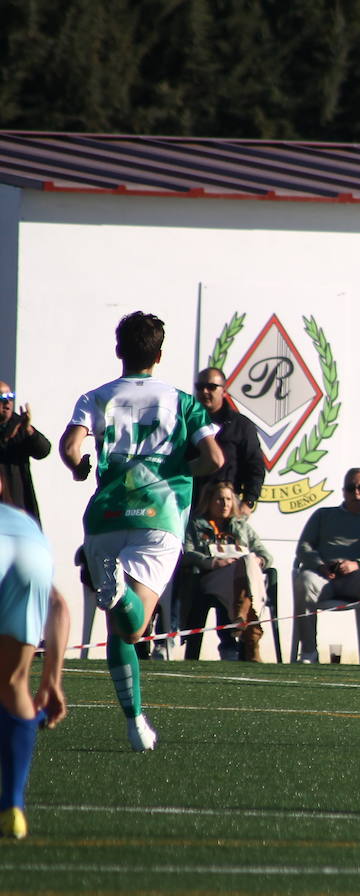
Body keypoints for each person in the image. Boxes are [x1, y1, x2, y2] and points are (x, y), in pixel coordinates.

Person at [60, 311, 224, 751]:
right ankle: (116, 596)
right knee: (132, 627)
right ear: (160, 355)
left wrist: (81, 469)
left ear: (120, 352)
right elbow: (214, 460)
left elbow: (71, 447)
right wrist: (176, 468)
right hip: (159, 516)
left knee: (118, 630)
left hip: (105, 519)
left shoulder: (96, 396)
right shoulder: (182, 402)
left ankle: (135, 725)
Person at [0, 478, 70, 840]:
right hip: (32, 556)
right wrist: (51, 680)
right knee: (12, 682)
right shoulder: (25, 521)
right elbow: (58, 604)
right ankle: (12, 806)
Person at [293, 468, 360, 664]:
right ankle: (308, 652)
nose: (356, 493)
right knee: (304, 580)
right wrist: (320, 565)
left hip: (356, 579)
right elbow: (303, 547)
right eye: (351, 488)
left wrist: (356, 564)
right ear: (343, 491)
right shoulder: (323, 515)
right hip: (323, 577)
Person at [182, 481, 273, 662]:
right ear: (208, 501)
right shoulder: (196, 525)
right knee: (247, 575)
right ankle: (251, 637)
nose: (225, 504)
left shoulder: (242, 526)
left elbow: (266, 555)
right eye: (219, 500)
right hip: (210, 578)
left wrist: (258, 560)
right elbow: (186, 553)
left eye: (229, 499)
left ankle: (241, 615)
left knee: (247, 563)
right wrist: (212, 562)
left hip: (238, 579)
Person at [190, 367, 267, 514]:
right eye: (200, 387)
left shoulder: (241, 426)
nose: (205, 391)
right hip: (191, 509)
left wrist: (248, 502)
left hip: (227, 511)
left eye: (211, 387)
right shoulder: (185, 423)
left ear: (223, 391)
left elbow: (255, 467)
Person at [0, 380, 51, 524]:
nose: (8, 403)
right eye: (2, 398)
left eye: (10, 397)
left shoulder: (19, 424)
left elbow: (43, 451)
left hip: (20, 506)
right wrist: (6, 437)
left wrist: (28, 430)